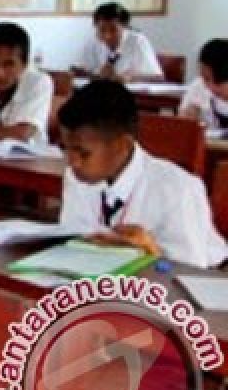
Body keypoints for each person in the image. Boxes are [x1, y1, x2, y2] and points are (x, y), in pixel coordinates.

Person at [58, 80, 227, 268]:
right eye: (65, 149)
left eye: (83, 153)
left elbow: (189, 270)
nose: (72, 162)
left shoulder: (178, 189)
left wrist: (150, 250)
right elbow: (73, 238)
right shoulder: (77, 176)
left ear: (122, 145)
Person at [73, 1, 163, 82]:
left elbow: (158, 77)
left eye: (113, 30)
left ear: (124, 26)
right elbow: (81, 69)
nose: (107, 36)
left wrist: (130, 77)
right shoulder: (93, 42)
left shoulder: (137, 41)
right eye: (102, 30)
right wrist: (96, 75)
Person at [179, 38, 228, 135]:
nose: (210, 87)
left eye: (218, 83)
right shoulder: (199, 87)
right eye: (205, 78)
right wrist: (187, 118)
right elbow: (182, 126)